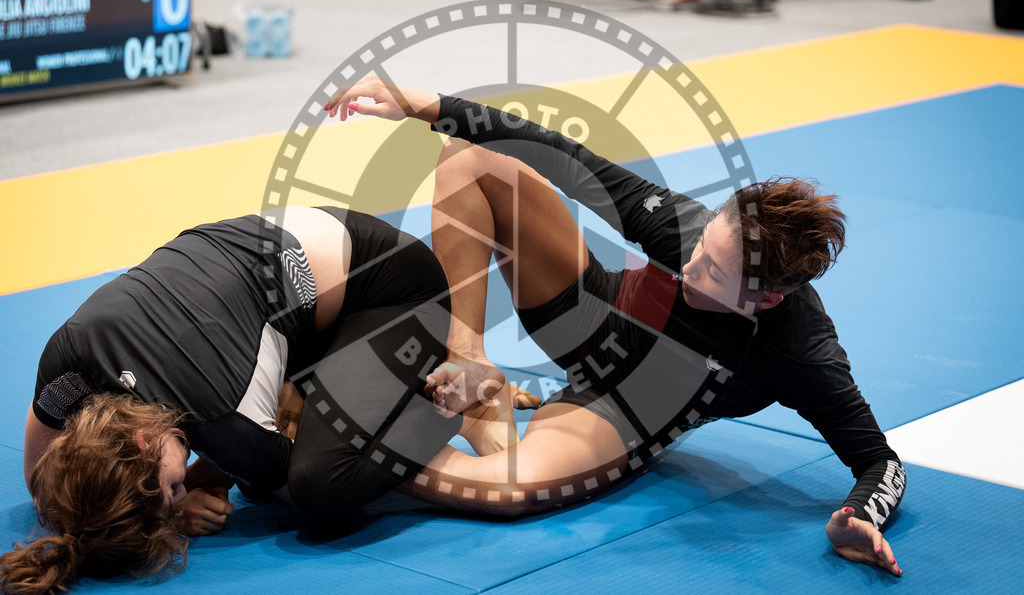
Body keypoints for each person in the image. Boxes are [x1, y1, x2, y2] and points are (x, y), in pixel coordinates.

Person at [324, 75, 906, 577]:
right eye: (700, 246)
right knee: (468, 156)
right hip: (589, 313)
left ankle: (358, 456)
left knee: (506, 490)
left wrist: (858, 516)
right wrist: (421, 103)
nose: (688, 266)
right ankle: (469, 357)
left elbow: (880, 464)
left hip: (627, 410)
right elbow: (556, 151)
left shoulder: (803, 353)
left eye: (711, 271)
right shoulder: (685, 229)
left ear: (767, 299)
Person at [2, 206, 533, 593]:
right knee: (262, 467)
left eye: (173, 485)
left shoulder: (221, 413)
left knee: (320, 485)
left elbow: (285, 476)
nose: (183, 490)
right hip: (287, 286)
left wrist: (182, 507)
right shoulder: (68, 362)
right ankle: (356, 384)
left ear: (142, 440)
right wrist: (148, 511)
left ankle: (463, 404)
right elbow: (44, 484)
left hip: (390, 286)